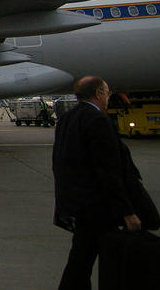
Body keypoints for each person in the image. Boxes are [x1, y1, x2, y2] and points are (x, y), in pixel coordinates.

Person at [52, 76, 141, 289]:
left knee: (81, 259)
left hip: (77, 203)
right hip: (97, 207)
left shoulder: (68, 117)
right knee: (102, 260)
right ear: (99, 94)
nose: (109, 96)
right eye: (107, 92)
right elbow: (108, 170)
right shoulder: (98, 120)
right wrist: (127, 211)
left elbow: (60, 162)